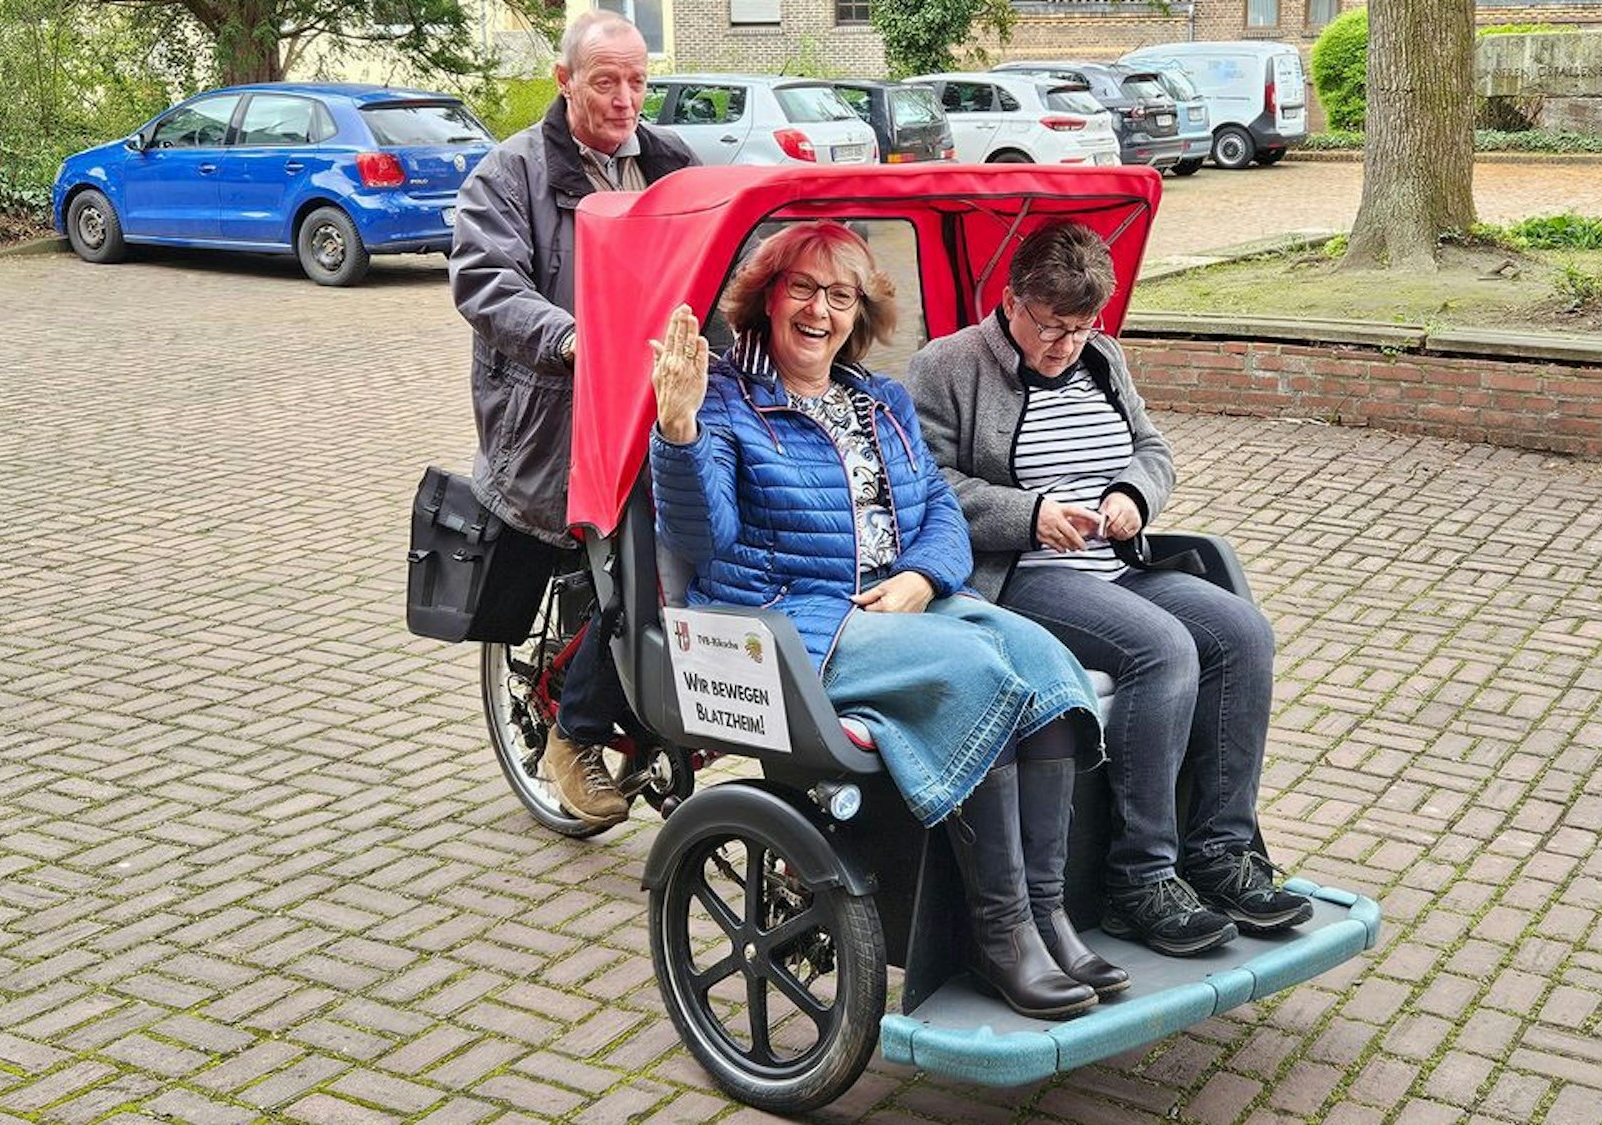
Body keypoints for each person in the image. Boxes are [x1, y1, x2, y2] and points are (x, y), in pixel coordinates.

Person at [646, 220, 1127, 1018]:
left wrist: (918, 575)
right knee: (977, 675)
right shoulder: (726, 400)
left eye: (840, 295)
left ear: (858, 311)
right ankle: (999, 930)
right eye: (802, 288)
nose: (819, 310)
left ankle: (1045, 912)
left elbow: (940, 508)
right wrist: (679, 430)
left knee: (1045, 661)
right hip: (797, 624)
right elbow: (702, 537)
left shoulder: (879, 399)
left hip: (901, 604)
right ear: (766, 297)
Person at [904, 220, 1312, 957]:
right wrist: (1031, 514)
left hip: (1118, 564)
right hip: (1024, 575)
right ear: (1012, 299)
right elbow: (927, 487)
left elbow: (1153, 448)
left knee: (1242, 632)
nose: (1065, 346)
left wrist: (1133, 493)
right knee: (1161, 649)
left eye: (1080, 328)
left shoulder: (1102, 357)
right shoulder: (949, 365)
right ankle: (1141, 879)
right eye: (1051, 327)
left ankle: (1220, 854)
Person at [451, 11, 696, 828]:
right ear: (565, 81)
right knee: (642, 568)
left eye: (637, 81)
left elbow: (719, 266)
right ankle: (573, 732)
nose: (626, 99)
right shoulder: (510, 173)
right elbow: (486, 282)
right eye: (605, 81)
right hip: (558, 414)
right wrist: (568, 337)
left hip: (654, 402)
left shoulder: (669, 164)